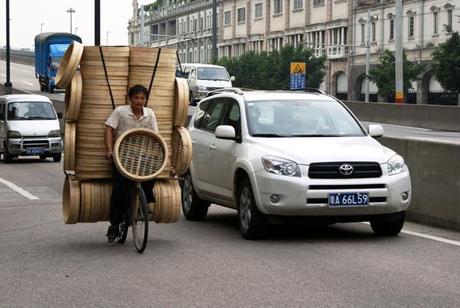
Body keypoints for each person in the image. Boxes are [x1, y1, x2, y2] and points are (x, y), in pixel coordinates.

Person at [104, 84, 158, 242]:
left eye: (142, 98)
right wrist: (109, 149)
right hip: (121, 156)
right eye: (136, 98)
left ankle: (145, 201)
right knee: (119, 189)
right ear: (130, 99)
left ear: (146, 99)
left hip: (142, 156)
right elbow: (109, 129)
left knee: (152, 175)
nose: (139, 101)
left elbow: (155, 135)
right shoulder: (120, 112)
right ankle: (114, 223)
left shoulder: (150, 114)